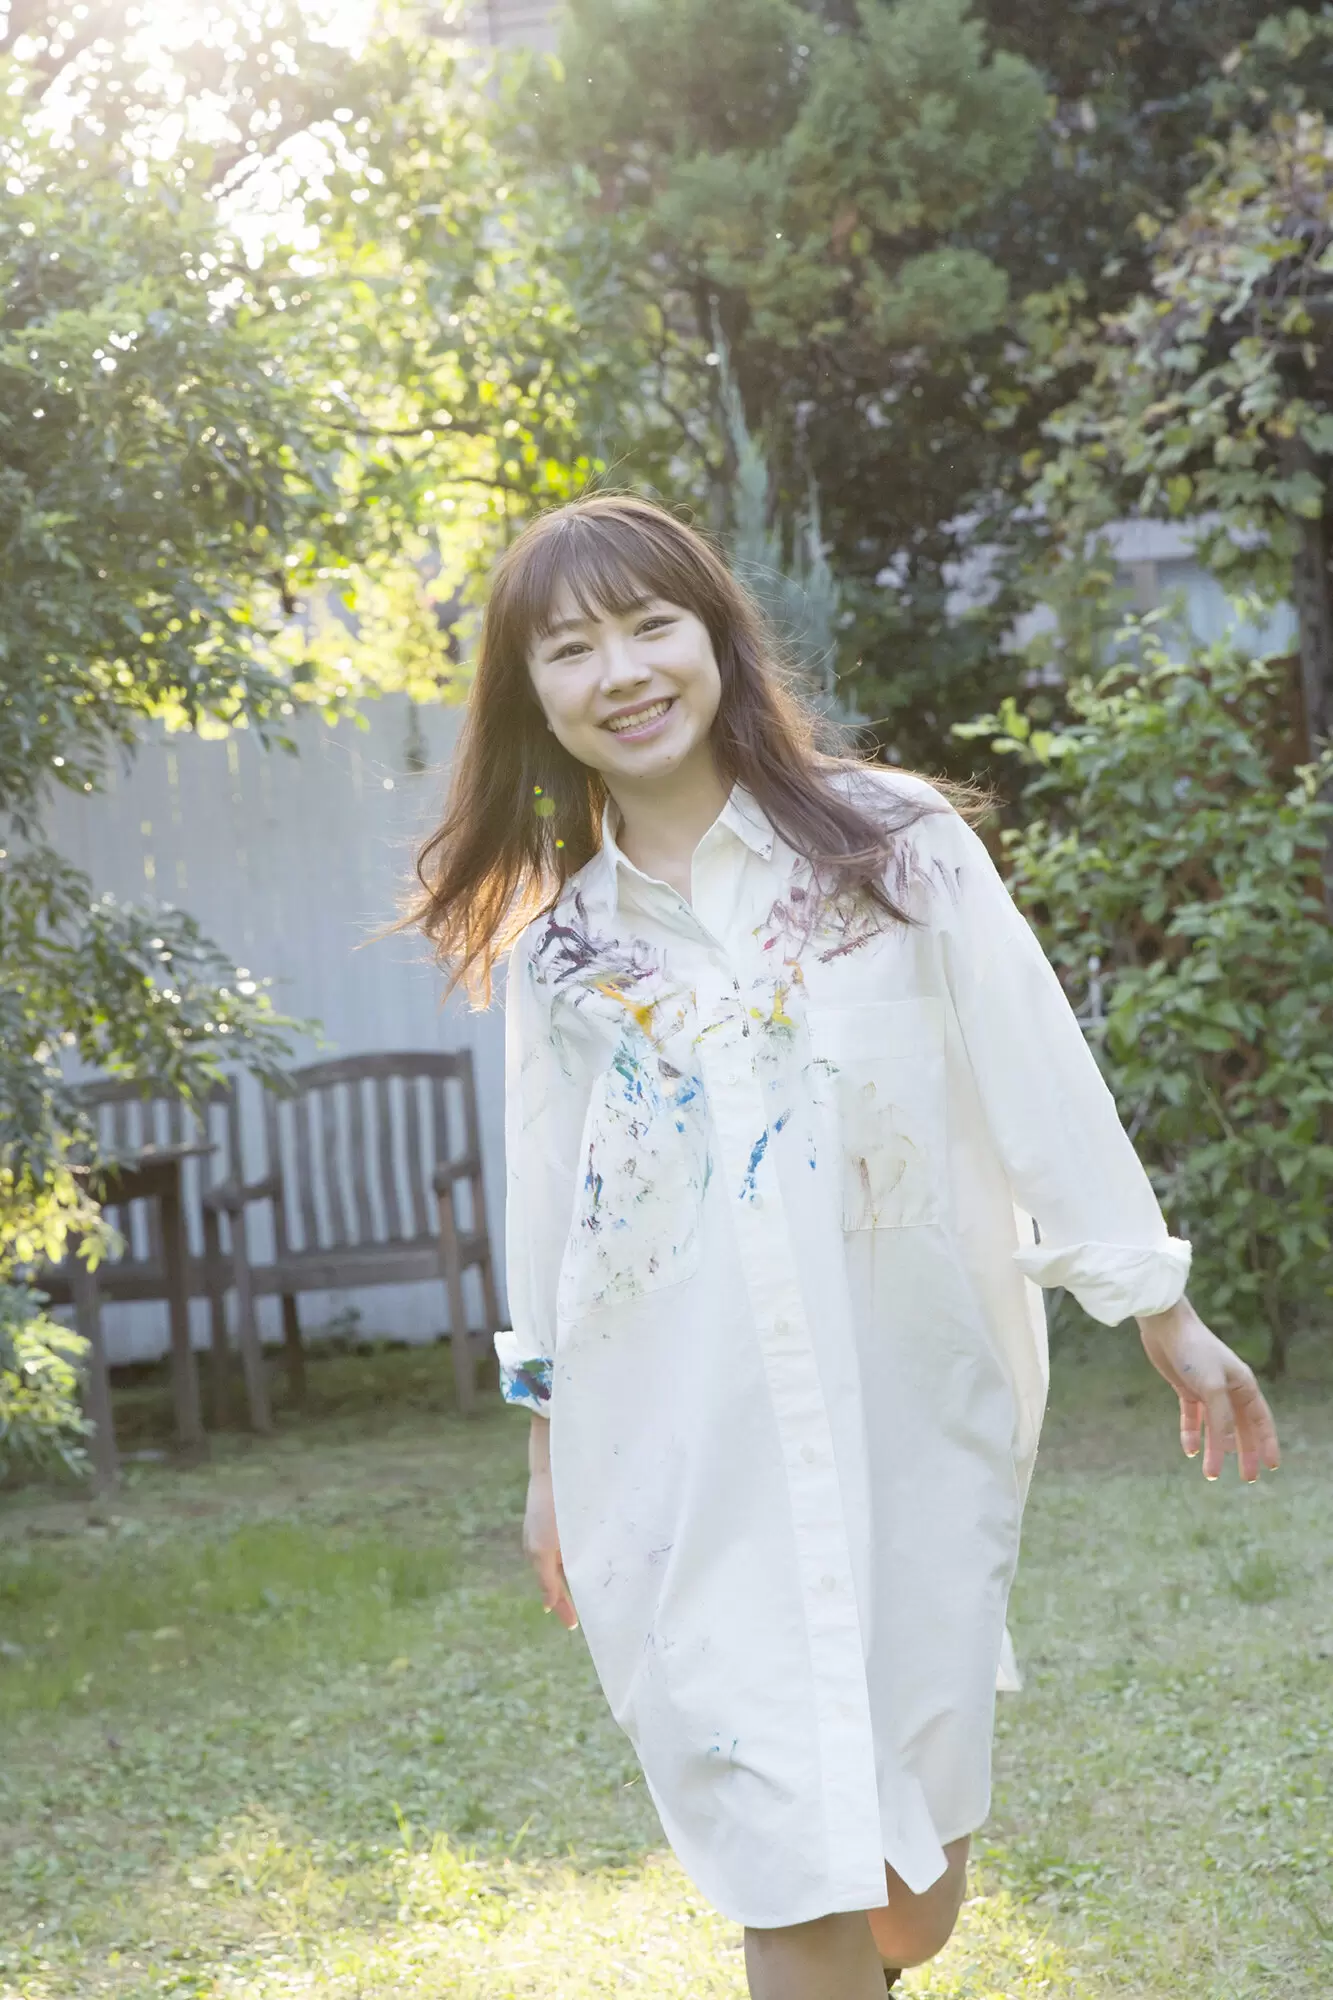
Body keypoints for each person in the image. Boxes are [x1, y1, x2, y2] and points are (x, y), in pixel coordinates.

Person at [410, 493, 1280, 2000]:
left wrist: (1158, 1302)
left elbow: (1033, 1063)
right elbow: (552, 1206)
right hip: (687, 1453)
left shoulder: (897, 847)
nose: (621, 671)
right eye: (571, 647)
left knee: (903, 1906)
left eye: (650, 626)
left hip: (908, 1425)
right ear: (530, 694)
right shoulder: (563, 954)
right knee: (793, 1882)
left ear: (716, 639)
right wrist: (550, 1452)